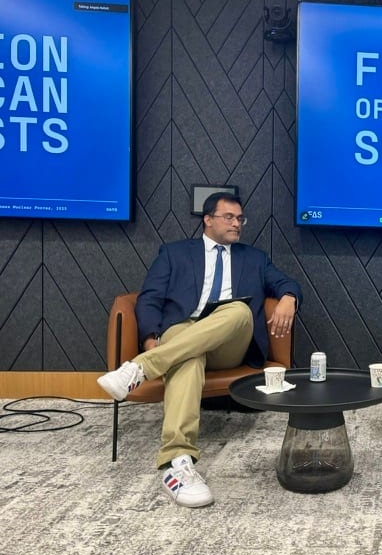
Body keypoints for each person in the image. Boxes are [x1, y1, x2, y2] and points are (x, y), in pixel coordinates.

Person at [97, 193, 301, 507]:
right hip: (182, 330)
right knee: (188, 355)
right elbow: (150, 298)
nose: (237, 224)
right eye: (229, 217)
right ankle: (177, 462)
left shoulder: (254, 258)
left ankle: (141, 368)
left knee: (238, 311)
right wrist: (152, 338)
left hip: (230, 341)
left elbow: (286, 282)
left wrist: (288, 298)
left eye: (240, 219)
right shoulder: (175, 253)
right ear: (208, 219)